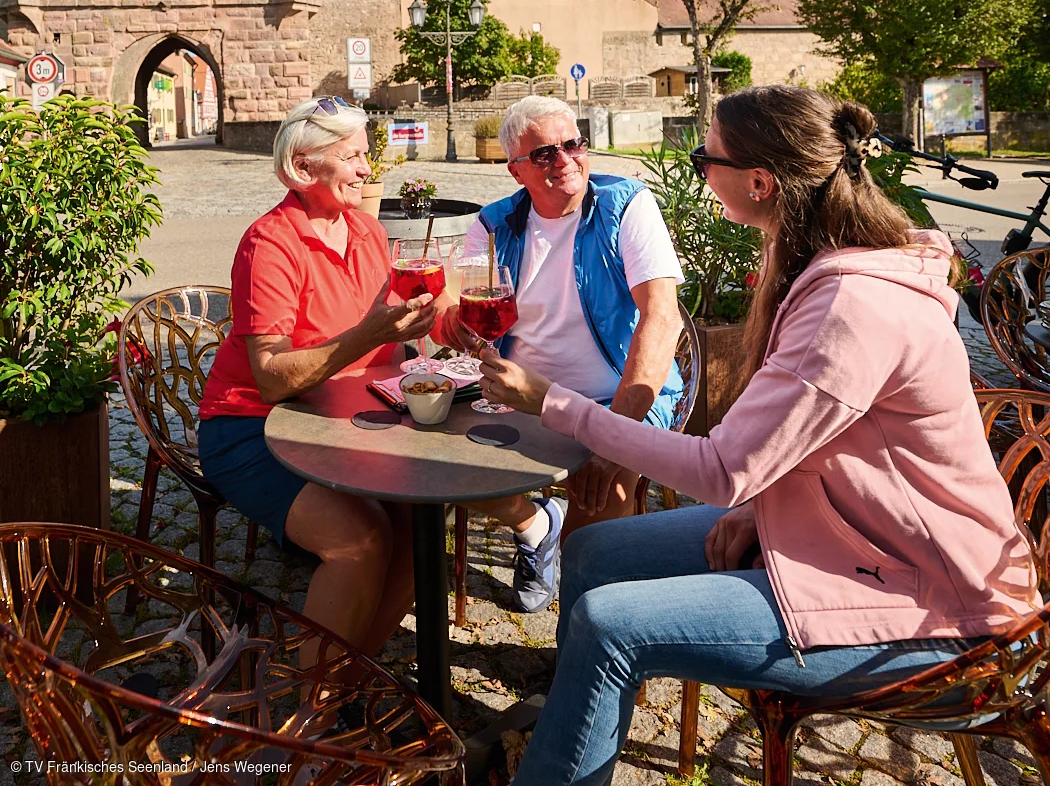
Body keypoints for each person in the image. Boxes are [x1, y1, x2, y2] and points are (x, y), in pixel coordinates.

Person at [478, 86, 1040, 786]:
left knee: (608, 620)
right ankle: (574, 709)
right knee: (590, 548)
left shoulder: (850, 302)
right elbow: (803, 439)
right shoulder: (819, 261)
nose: (698, 170)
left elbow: (719, 467)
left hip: (934, 609)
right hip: (843, 537)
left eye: (703, 156)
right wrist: (756, 504)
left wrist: (554, 403)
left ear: (759, 182)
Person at [198, 97, 436, 657]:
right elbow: (274, 377)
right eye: (352, 157)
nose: (366, 169)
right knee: (361, 540)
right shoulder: (270, 243)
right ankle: (313, 717)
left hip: (343, 418)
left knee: (417, 530)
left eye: (366, 155)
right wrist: (369, 336)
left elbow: (389, 341)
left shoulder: (366, 231)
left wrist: (431, 334)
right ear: (304, 168)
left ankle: (353, 687)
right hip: (252, 427)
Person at [439, 95, 684, 613]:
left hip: (616, 397)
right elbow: (461, 312)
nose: (565, 160)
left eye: (573, 144)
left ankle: (585, 651)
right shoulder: (493, 224)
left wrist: (612, 436)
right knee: (432, 463)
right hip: (516, 396)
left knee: (595, 529)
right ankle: (533, 526)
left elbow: (662, 317)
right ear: (516, 170)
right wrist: (450, 322)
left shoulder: (626, 206)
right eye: (545, 153)